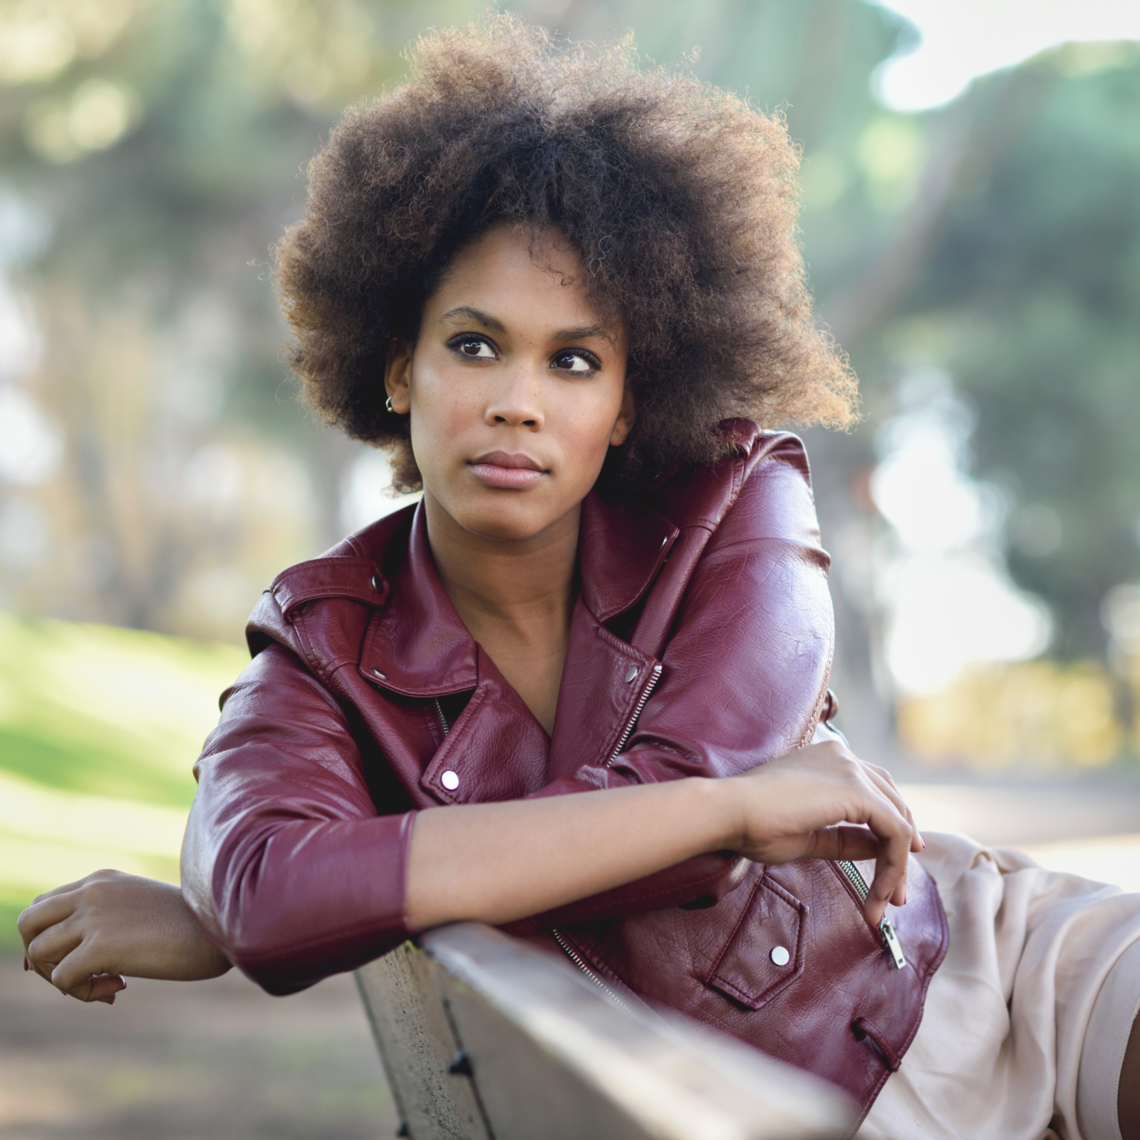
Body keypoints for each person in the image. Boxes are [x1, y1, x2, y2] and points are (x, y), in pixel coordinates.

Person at [17, 16, 1140, 1140]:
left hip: (987, 976)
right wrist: (731, 809)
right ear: (397, 369)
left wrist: (321, 896)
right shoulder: (323, 651)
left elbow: (685, 798)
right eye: (473, 344)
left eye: (574, 360)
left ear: (627, 403)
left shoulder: (737, 506)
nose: (519, 399)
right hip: (750, 1109)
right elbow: (272, 888)